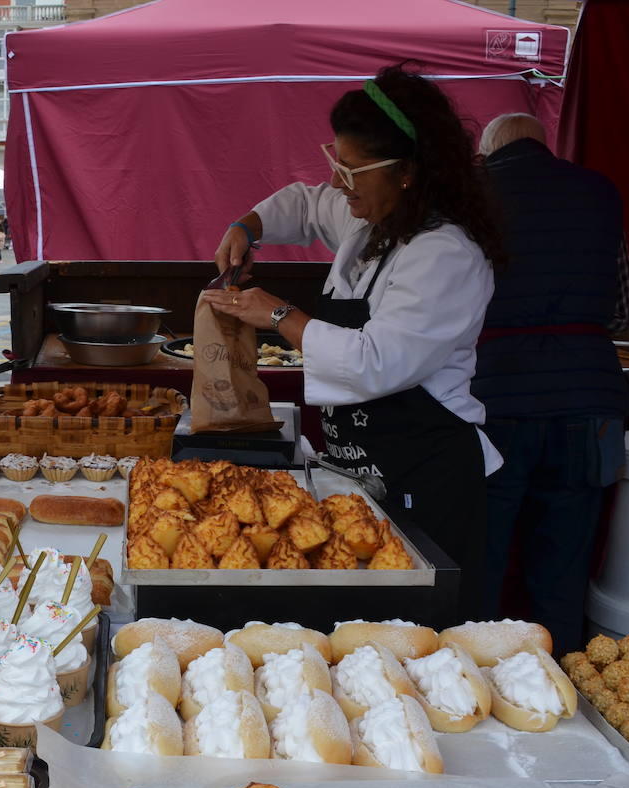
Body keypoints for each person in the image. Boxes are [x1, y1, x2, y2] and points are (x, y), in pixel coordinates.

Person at [204, 63, 506, 626]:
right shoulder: (370, 222)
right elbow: (304, 201)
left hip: (427, 481)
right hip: (364, 473)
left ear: (408, 172)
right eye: (336, 163)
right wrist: (247, 226)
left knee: (416, 635)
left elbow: (375, 363)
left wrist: (274, 312)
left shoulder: (446, 255)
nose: (340, 184)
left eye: (354, 171)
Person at [473, 113, 629, 656]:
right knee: (564, 564)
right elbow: (621, 310)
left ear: (488, 150)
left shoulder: (472, 196)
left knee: (485, 553)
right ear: (544, 145)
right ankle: (561, 676)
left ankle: (479, 679)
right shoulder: (600, 192)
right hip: (589, 399)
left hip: (496, 394)